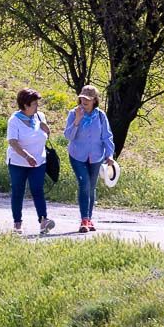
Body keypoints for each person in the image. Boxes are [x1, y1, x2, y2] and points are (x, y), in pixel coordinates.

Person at [63, 84, 117, 233]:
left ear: (94, 100)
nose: (84, 102)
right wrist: (77, 121)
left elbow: (107, 136)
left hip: (96, 156)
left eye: (87, 99)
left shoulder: (100, 116)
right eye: (82, 98)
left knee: (91, 188)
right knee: (84, 184)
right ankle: (84, 220)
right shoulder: (73, 113)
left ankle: (89, 219)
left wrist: (110, 155)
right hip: (77, 156)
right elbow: (68, 136)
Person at [7, 87, 55, 235]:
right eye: (34, 104)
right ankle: (17, 223)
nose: (37, 106)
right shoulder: (14, 120)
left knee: (37, 190)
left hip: (39, 161)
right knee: (18, 191)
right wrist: (27, 156)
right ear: (25, 105)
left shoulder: (39, 116)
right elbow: (13, 142)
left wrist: (47, 129)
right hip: (18, 163)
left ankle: (43, 221)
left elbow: (44, 135)